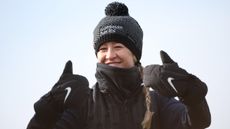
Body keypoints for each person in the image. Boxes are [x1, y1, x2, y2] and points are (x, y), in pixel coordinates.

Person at [27, 2, 211, 129]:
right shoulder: (83, 103)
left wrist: (191, 95)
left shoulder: (157, 101)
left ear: (134, 54)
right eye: (102, 48)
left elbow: (196, 123)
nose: (109, 55)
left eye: (118, 46)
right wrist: (48, 109)